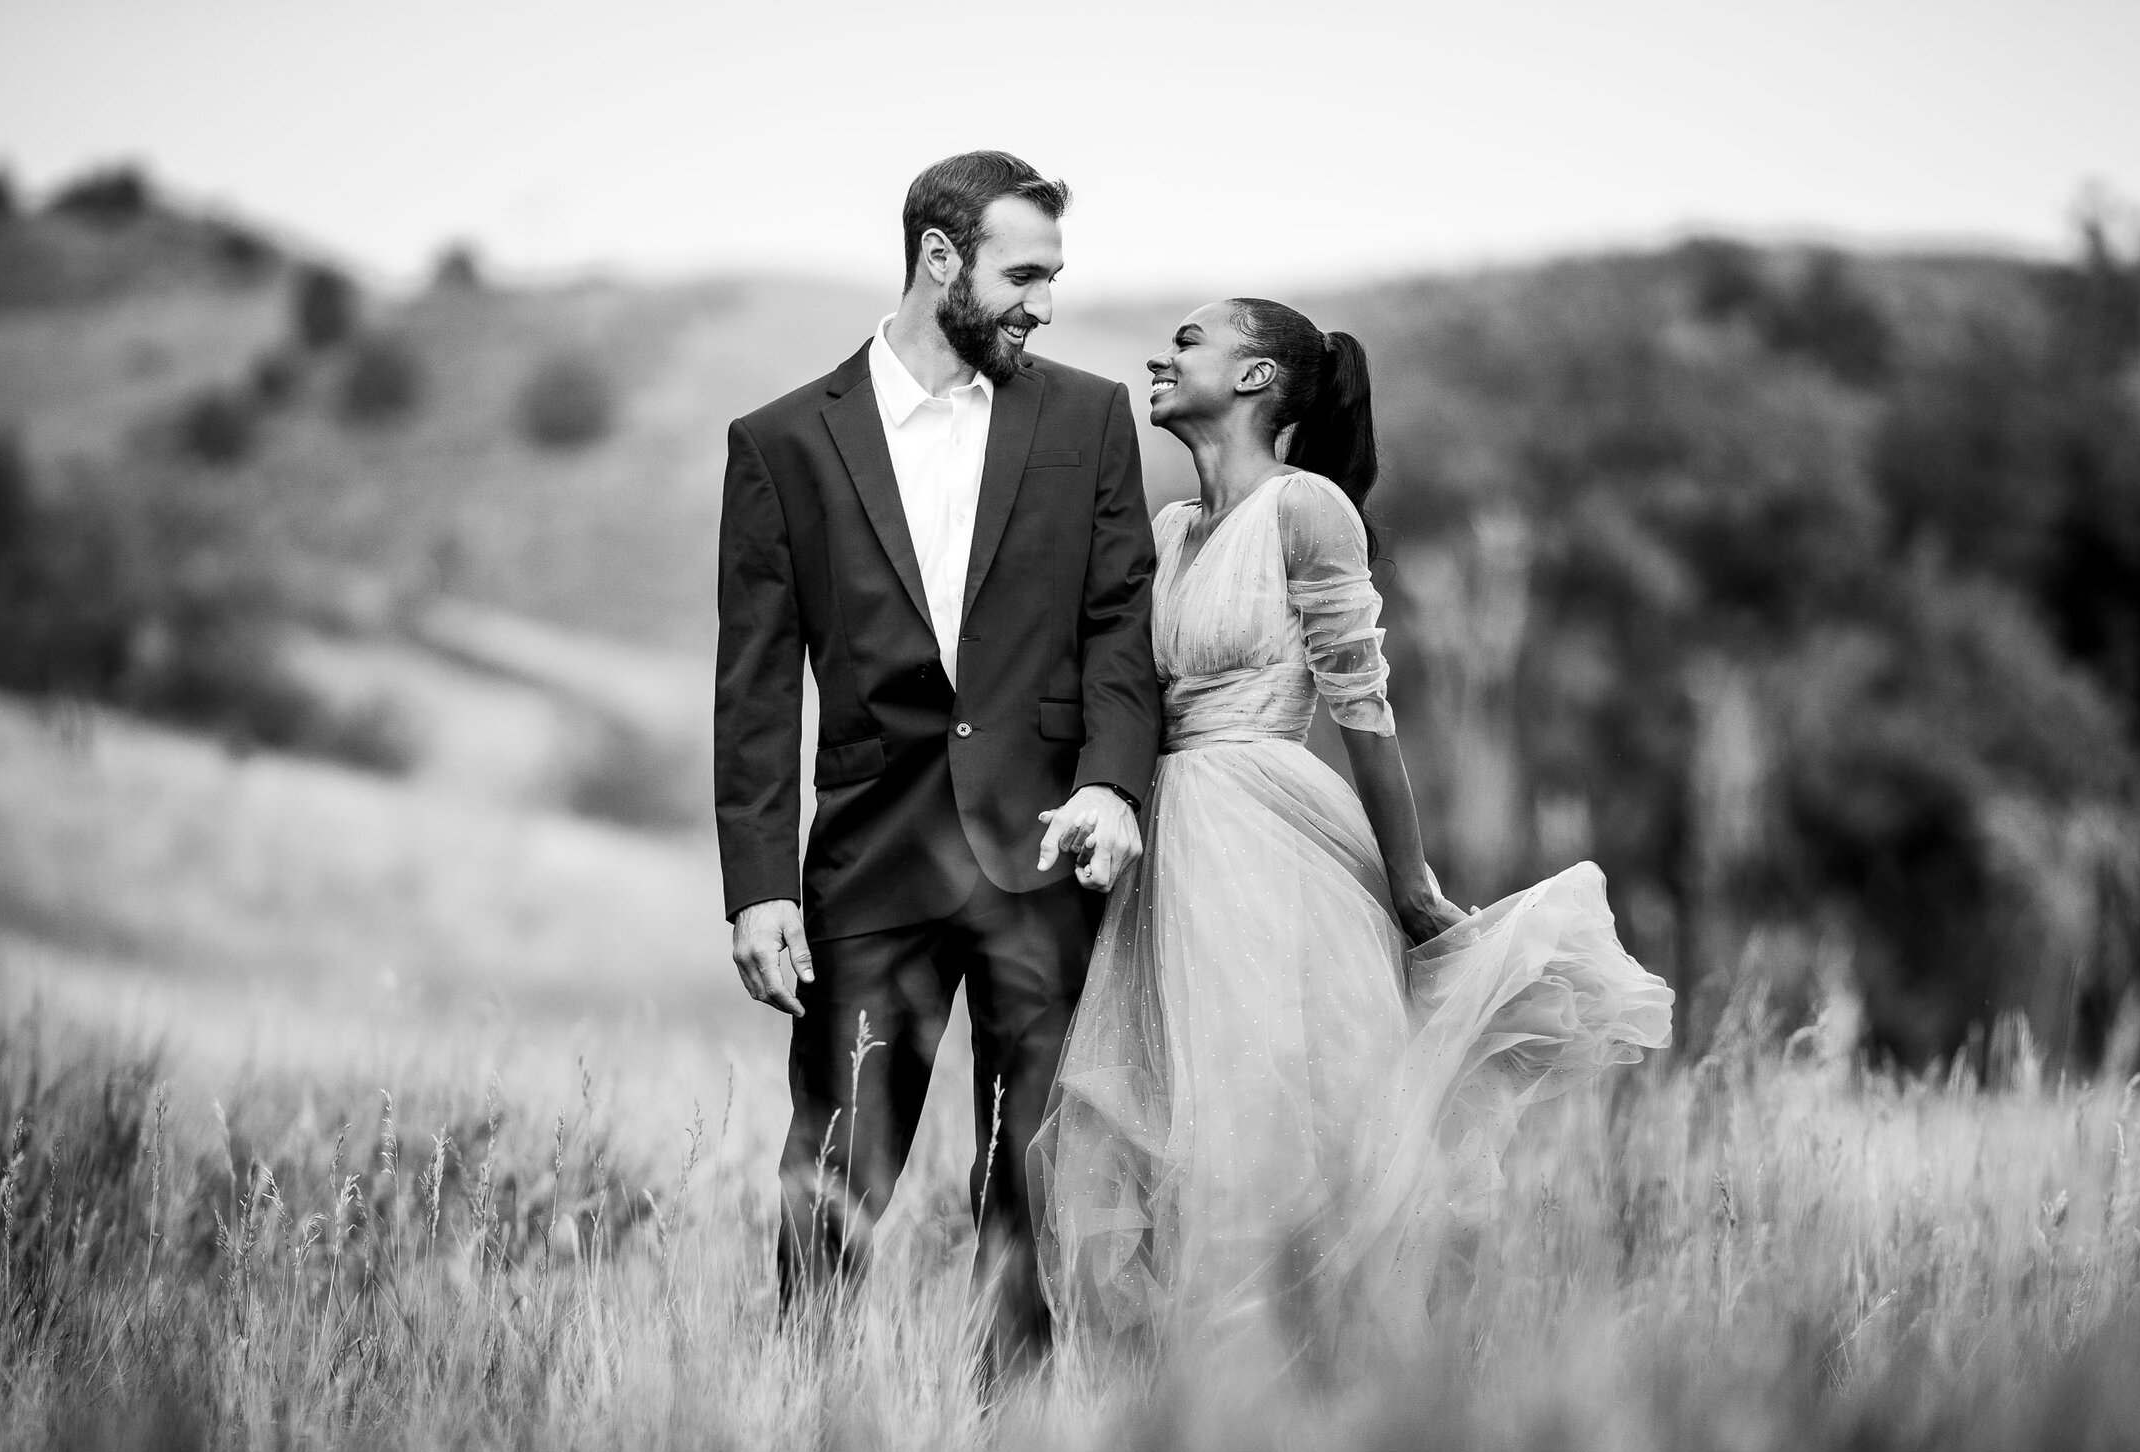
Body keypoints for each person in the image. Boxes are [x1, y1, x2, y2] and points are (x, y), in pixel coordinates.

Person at [1031, 299, 1673, 1353]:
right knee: (1165, 1138)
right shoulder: (1168, 530)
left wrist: (1412, 881)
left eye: (1190, 339)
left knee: (1268, 1135)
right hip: (1166, 852)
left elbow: (1363, 706)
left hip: (1263, 842)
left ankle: (1297, 1392)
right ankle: (1188, 1418)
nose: (1163, 351)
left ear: (1255, 379)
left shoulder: (1307, 508)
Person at [714, 151, 1160, 1368]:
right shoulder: (784, 445)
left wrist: (1114, 783)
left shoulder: (1086, 418)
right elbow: (754, 684)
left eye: (1055, 277)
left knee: (1031, 1191)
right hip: (872, 875)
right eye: (1026, 273)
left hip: (1041, 864)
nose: (1046, 304)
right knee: (832, 1187)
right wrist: (757, 887)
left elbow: (1120, 621)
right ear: (939, 258)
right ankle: (802, 1434)